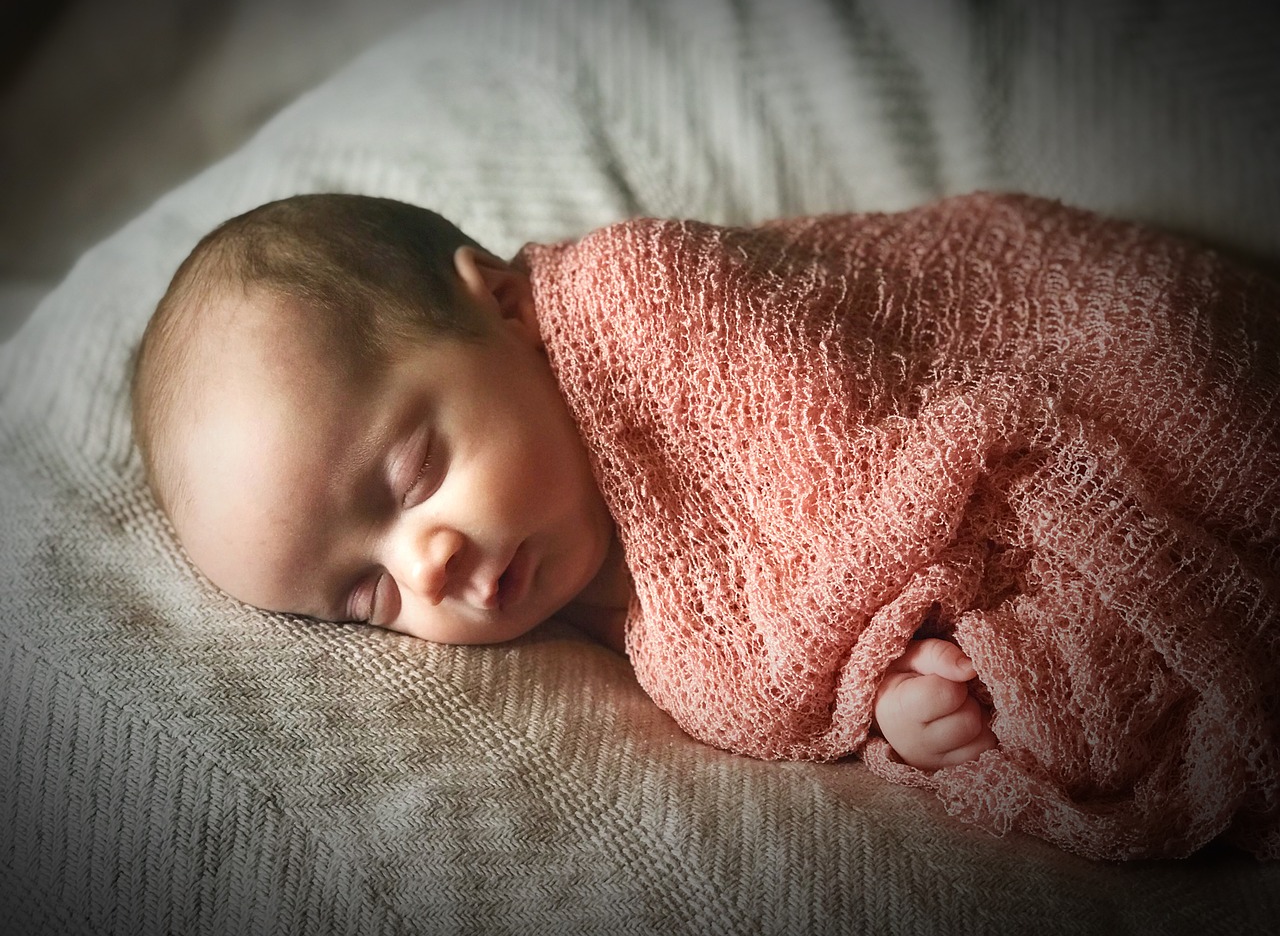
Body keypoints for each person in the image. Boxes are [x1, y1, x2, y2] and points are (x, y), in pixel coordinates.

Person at [131, 192, 997, 775]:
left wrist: (864, 588)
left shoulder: (650, 308)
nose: (425, 568)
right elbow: (764, 638)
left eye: (414, 473)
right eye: (368, 593)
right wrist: (878, 681)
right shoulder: (576, 599)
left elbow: (841, 461)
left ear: (507, 309)